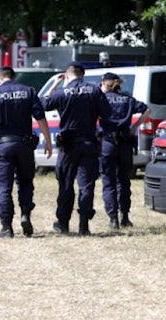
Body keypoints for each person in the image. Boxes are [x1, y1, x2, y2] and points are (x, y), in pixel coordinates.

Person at [0, 66, 54, 237]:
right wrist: (48, 142)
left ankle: (6, 227)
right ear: (13, 77)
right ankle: (25, 214)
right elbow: (40, 118)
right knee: (25, 181)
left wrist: (0, 125)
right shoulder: (28, 91)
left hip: (5, 145)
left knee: (4, 186)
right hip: (25, 144)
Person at [42, 62, 112, 235]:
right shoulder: (94, 90)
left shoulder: (61, 92)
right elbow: (107, 113)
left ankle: (63, 223)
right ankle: (84, 224)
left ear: (67, 75)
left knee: (65, 183)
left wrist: (55, 85)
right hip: (89, 142)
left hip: (68, 144)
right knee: (86, 185)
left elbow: (43, 105)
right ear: (83, 75)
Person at [98, 72, 151, 229]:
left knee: (109, 182)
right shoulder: (127, 99)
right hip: (125, 144)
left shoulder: (101, 99)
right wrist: (134, 128)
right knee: (124, 181)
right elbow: (147, 110)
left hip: (108, 144)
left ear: (105, 84)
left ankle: (113, 218)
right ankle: (125, 217)